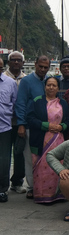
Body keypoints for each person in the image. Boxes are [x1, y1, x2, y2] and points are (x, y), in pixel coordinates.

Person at [27, 76, 69, 203]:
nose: (51, 87)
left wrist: (62, 126)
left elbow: (68, 120)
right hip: (41, 139)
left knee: (58, 165)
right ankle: (42, 195)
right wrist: (46, 125)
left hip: (58, 139)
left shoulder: (62, 103)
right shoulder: (37, 101)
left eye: (54, 85)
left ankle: (59, 194)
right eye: (49, 85)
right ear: (44, 87)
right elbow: (30, 119)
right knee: (42, 167)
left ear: (58, 88)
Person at [15, 55, 51, 198]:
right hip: (30, 126)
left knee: (47, 157)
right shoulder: (26, 81)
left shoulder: (50, 81)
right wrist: (21, 124)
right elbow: (21, 103)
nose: (42, 69)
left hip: (48, 126)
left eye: (45, 67)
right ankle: (32, 186)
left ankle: (47, 184)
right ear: (35, 64)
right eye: (40, 66)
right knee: (31, 157)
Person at [4, 51, 27, 194]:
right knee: (4, 155)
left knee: (19, 153)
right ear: (8, 62)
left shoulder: (26, 79)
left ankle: (17, 182)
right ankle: (2, 183)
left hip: (20, 122)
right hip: (4, 123)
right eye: (13, 60)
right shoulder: (3, 78)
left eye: (19, 60)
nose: (16, 62)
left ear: (23, 63)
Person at [0, 59, 18, 202]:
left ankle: (2, 189)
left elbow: (15, 104)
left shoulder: (10, 83)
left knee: (4, 160)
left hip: (4, 127)